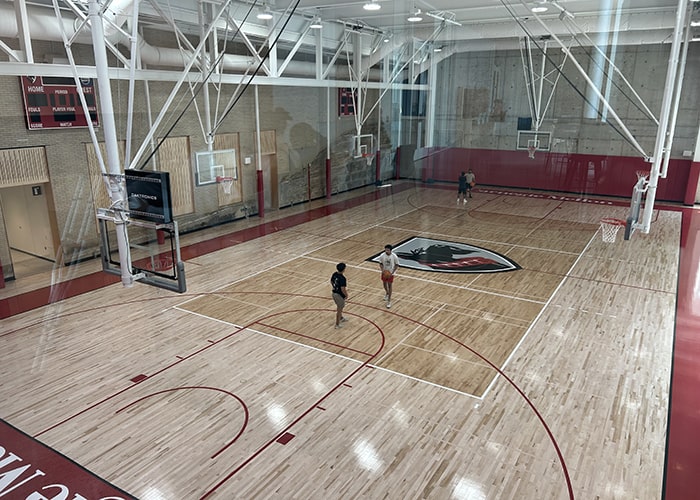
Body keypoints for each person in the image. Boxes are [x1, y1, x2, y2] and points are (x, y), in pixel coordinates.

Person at [378, 244, 400, 308]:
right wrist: (382, 270)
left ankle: (389, 301)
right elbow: (380, 263)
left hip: (391, 273)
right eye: (385, 250)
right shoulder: (382, 255)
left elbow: (397, 264)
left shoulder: (394, 256)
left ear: (391, 250)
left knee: (390, 285)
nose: (386, 251)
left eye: (387, 250)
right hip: (384, 272)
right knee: (384, 284)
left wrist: (392, 272)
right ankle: (387, 293)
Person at [330, 262, 348, 328]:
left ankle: (341, 318)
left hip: (334, 293)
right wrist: (346, 295)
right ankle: (337, 324)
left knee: (340, 307)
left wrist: (334, 286)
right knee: (339, 309)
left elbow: (331, 281)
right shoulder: (343, 278)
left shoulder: (334, 274)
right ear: (343, 269)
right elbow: (343, 288)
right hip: (338, 295)